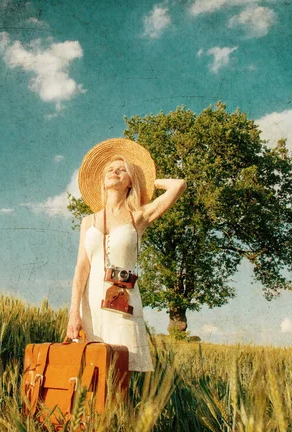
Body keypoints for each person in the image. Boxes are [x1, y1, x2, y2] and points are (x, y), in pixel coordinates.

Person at [66, 138, 186, 372]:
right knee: (89, 369)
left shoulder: (138, 217)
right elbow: (81, 267)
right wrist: (73, 313)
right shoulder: (88, 221)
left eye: (122, 170)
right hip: (89, 304)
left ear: (130, 181)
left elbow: (178, 185)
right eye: (110, 169)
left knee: (121, 368)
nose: (115, 172)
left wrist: (147, 180)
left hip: (122, 302)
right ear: (102, 180)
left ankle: (120, 410)